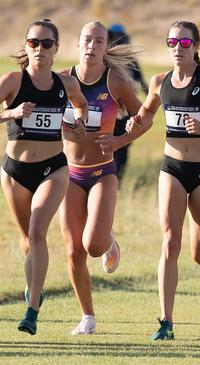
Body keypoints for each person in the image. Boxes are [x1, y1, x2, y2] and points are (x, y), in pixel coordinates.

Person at [128, 21, 200, 340]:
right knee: (170, 240)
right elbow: (145, 115)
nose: (177, 48)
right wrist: (132, 124)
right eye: (172, 42)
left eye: (184, 42)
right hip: (173, 169)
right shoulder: (158, 81)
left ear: (196, 46)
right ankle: (166, 322)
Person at [0, 19, 87, 335]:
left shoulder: (66, 84)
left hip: (54, 168)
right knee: (28, 240)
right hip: (15, 172)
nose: (39, 48)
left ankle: (32, 310)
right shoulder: (12, 81)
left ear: (56, 49)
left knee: (37, 231)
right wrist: (11, 113)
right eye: (33, 42)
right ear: (26, 46)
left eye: (46, 43)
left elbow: (81, 105)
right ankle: (33, 288)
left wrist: (78, 123)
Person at [59, 21, 145, 335]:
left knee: (93, 246)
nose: (92, 46)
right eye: (87, 40)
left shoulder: (116, 82)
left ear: (105, 47)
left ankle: (109, 241)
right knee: (73, 251)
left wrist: (120, 141)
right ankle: (88, 318)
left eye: (99, 40)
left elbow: (143, 118)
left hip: (102, 173)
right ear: (78, 43)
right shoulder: (63, 81)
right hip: (68, 174)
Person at [107, 23, 148, 180]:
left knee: (122, 144)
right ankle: (114, 178)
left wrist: (152, 100)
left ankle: (117, 180)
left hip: (125, 110)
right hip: (110, 109)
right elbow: (141, 82)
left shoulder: (130, 59)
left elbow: (140, 81)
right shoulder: (104, 59)